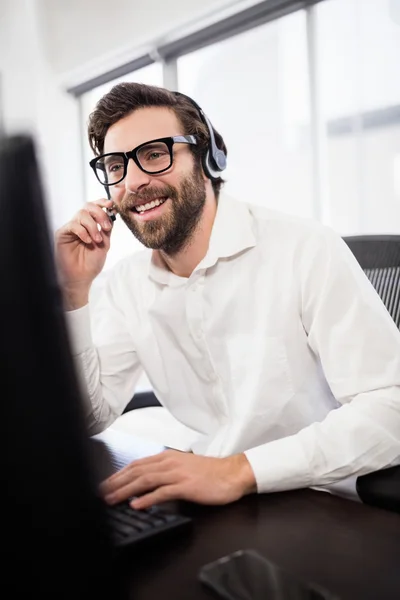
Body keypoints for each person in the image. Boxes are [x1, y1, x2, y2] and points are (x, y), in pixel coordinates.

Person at [55, 82, 400, 511]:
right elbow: (90, 417)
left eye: (155, 154)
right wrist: (74, 292)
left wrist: (239, 470)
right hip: (214, 497)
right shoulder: (126, 286)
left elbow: (392, 406)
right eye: (115, 165)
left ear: (205, 158)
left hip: (324, 497)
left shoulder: (304, 248)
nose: (135, 181)